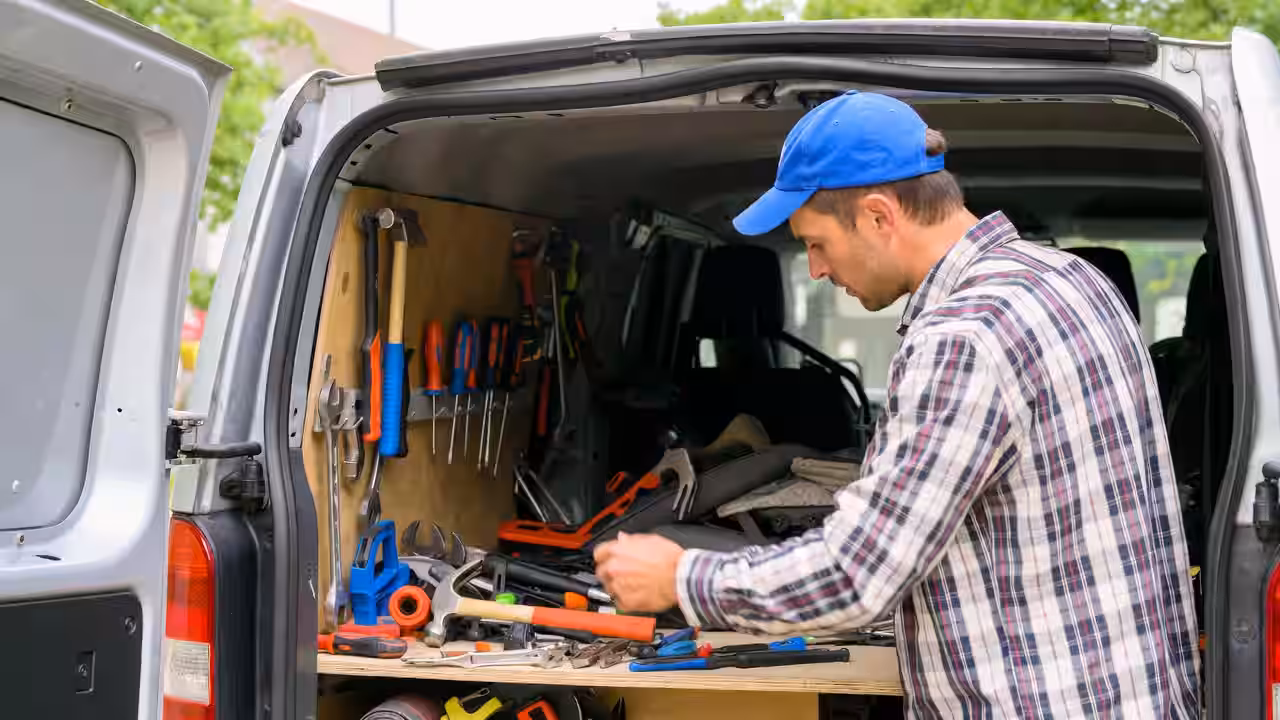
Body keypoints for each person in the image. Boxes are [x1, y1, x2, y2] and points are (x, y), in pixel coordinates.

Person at [593, 91, 1201, 718]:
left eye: (817, 243)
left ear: (879, 216)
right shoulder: (1075, 282)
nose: (818, 269)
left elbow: (859, 575)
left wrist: (681, 578)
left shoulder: (963, 337)